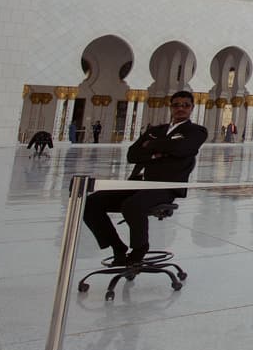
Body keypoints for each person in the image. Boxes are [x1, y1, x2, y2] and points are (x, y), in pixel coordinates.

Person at [83, 90, 207, 266]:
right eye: (177, 105)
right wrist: (159, 153)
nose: (181, 108)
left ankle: (140, 248)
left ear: (192, 108)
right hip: (137, 184)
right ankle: (117, 246)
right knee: (91, 203)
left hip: (164, 187)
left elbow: (184, 149)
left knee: (132, 205)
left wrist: (152, 146)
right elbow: (132, 155)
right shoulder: (155, 130)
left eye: (185, 105)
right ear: (171, 107)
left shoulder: (196, 131)